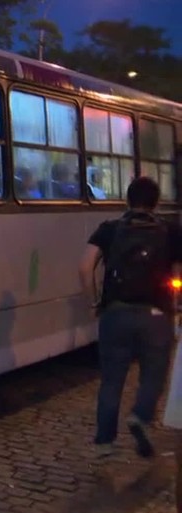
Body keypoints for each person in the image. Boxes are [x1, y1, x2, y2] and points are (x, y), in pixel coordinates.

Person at [78, 175, 182, 460]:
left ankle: (104, 441)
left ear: (127, 199)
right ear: (156, 202)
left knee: (112, 379)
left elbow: (85, 266)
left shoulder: (110, 229)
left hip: (116, 312)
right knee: (154, 373)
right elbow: (178, 274)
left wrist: (94, 301)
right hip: (157, 314)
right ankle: (140, 415)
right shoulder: (170, 231)